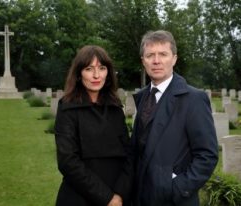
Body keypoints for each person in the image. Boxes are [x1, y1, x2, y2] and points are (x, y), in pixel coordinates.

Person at [131, 30, 218, 206]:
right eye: (150, 55)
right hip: (140, 196)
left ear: (174, 59)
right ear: (143, 61)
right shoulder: (142, 97)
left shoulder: (194, 99)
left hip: (173, 200)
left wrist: (176, 187)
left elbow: (207, 155)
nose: (156, 61)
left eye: (163, 54)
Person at [54, 45, 132, 206]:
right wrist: (107, 198)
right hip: (80, 196)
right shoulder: (68, 107)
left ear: (108, 73)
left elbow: (129, 154)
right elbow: (68, 161)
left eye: (101, 68)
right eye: (89, 69)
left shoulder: (115, 107)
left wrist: (120, 193)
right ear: (78, 74)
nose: (96, 75)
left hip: (118, 195)